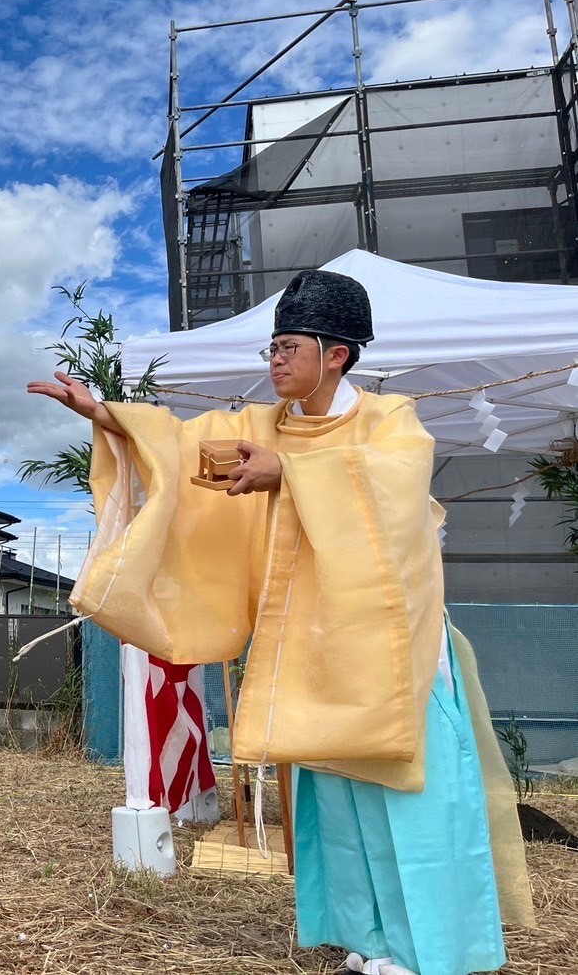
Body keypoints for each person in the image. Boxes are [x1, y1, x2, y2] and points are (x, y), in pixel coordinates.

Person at [27, 269, 533, 975]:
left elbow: (394, 490)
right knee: (338, 800)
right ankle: (371, 940)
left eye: (289, 346)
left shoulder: (391, 418)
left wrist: (290, 474)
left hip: (391, 650)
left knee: (409, 800)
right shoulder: (260, 425)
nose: (273, 360)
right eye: (271, 347)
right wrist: (104, 414)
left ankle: (434, 952)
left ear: (337, 354)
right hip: (310, 645)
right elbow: (176, 448)